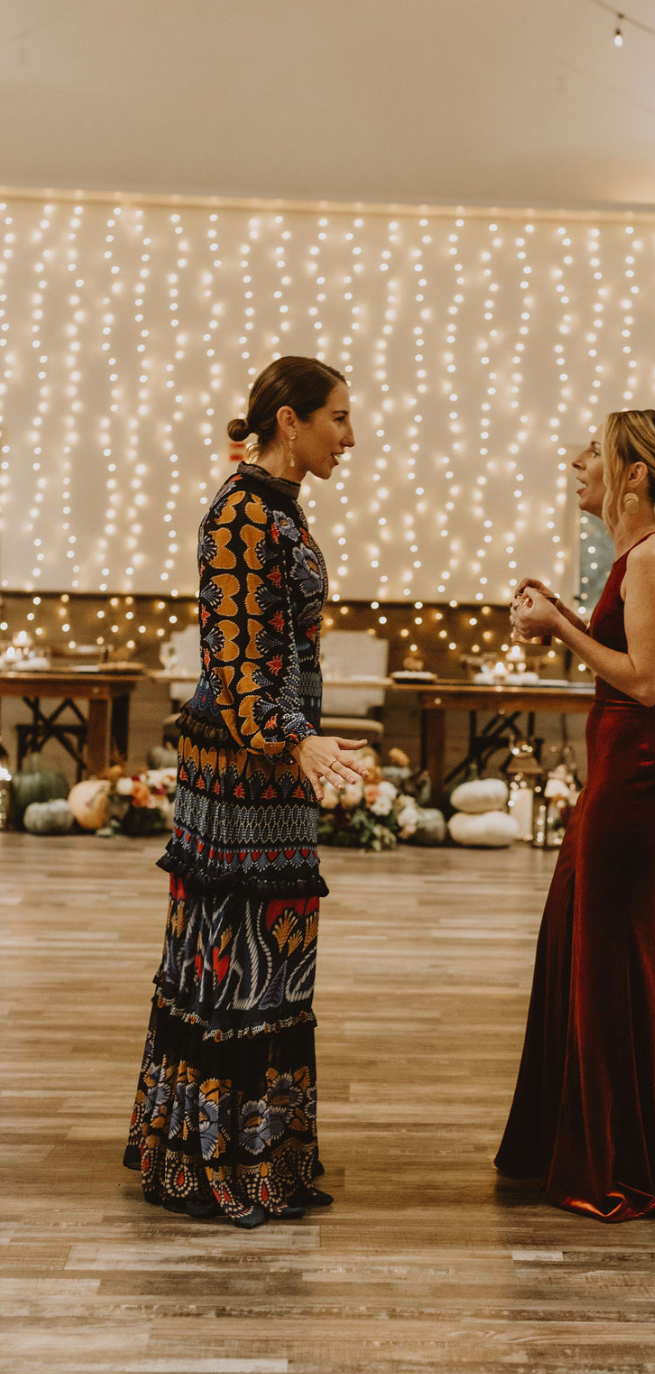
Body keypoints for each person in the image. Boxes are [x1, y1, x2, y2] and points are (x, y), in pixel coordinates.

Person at [124, 356, 367, 1228]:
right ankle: (214, 1163)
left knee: (277, 959)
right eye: (338, 418)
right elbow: (232, 670)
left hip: (275, 767)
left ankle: (267, 1158)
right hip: (240, 772)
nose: (350, 437)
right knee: (233, 965)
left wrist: (300, 741)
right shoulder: (237, 515)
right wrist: (298, 738)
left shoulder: (280, 508)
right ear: (289, 421)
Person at [495, 408, 655, 1222]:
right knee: (576, 946)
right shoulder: (638, 555)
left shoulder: (654, 557)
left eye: (593, 450)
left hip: (641, 781)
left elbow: (646, 682)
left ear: (633, 473)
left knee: (609, 964)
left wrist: (558, 626)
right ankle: (575, 1138)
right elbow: (625, 659)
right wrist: (561, 613)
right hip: (618, 777)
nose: (576, 460)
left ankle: (620, 1160)